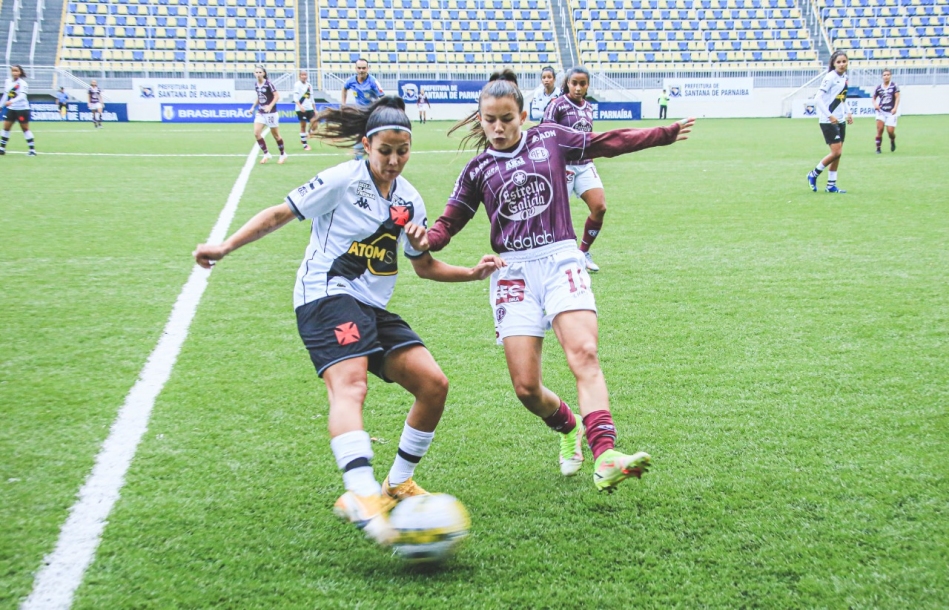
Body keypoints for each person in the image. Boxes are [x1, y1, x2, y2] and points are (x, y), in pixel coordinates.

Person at [193, 96, 503, 546]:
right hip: (325, 295)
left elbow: (424, 265)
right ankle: (360, 494)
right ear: (366, 145)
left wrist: (471, 272)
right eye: (385, 151)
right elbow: (281, 213)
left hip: (370, 308)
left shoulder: (410, 201)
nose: (394, 160)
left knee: (433, 383)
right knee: (350, 383)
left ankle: (396, 485)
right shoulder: (343, 179)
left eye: (403, 151)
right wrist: (224, 247)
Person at [421, 70, 695, 493]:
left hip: (561, 258)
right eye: (489, 120)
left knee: (584, 352)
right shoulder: (477, 170)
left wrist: (663, 133)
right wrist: (426, 238)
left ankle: (605, 454)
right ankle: (569, 428)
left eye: (506, 118)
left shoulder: (550, 138)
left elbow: (606, 143)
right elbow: (448, 224)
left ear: (523, 115)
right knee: (527, 388)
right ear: (481, 119)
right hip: (513, 272)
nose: (497, 127)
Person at [542, 66, 605, 273]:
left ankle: (583, 252)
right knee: (558, 216)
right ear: (567, 83)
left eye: (582, 84)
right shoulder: (557, 105)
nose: (578, 88)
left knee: (599, 207)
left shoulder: (588, 107)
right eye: (574, 83)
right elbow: (547, 136)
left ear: (587, 85)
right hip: (564, 166)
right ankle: (555, 256)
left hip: (585, 164)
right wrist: (556, 165)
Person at [807, 51, 853, 194]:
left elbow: (841, 98)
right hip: (828, 120)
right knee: (836, 151)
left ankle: (831, 185)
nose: (841, 64)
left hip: (840, 119)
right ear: (833, 63)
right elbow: (818, 98)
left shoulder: (844, 77)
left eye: (844, 61)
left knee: (838, 153)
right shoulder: (830, 77)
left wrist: (848, 111)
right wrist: (829, 115)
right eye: (838, 62)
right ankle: (813, 174)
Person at [341, 58, 384, 160]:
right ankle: (358, 162)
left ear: (368, 68)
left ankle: (375, 159)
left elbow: (382, 96)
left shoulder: (373, 82)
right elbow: (344, 88)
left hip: (372, 114)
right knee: (359, 137)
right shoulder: (351, 81)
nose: (361, 70)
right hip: (359, 114)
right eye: (359, 68)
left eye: (363, 68)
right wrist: (343, 104)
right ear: (355, 68)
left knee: (372, 137)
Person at [250, 65, 287, 165]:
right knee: (256, 133)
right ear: (254, 74)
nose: (258, 74)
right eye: (256, 72)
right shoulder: (256, 84)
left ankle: (283, 154)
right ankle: (266, 154)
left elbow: (277, 96)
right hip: (261, 112)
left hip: (271, 113)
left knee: (276, 136)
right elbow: (259, 96)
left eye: (260, 72)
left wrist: (270, 106)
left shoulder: (268, 84)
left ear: (264, 73)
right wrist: (253, 107)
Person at [1, 65, 36, 156]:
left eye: (16, 71)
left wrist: (11, 101)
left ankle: (32, 150)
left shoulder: (23, 83)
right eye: (13, 71)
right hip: (11, 109)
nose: (14, 73)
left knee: (25, 128)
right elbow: (5, 95)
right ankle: (2, 149)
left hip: (22, 109)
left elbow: (22, 96)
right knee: (6, 127)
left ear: (20, 72)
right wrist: (1, 106)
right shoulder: (8, 82)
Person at [872, 68, 900, 154]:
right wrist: (875, 104)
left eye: (888, 75)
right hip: (881, 111)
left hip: (891, 112)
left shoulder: (894, 86)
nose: (886, 76)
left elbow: (897, 97)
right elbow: (873, 98)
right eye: (884, 75)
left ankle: (892, 140)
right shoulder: (879, 87)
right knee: (880, 129)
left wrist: (895, 108)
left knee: (890, 132)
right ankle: (878, 149)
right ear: (882, 77)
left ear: (890, 76)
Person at [293, 70, 317, 151]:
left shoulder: (309, 85)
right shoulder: (297, 85)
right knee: (303, 126)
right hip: (301, 109)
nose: (304, 76)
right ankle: (305, 145)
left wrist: (315, 109)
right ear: (300, 76)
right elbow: (295, 98)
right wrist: (300, 106)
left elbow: (312, 98)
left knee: (315, 124)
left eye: (305, 75)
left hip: (309, 107)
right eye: (302, 75)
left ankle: (306, 136)